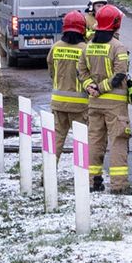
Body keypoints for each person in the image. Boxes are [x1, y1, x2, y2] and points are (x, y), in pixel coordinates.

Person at [77, 4, 132, 195]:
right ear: (116, 24)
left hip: (94, 103)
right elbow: (120, 74)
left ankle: (92, 181)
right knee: (119, 140)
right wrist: (102, 88)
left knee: (95, 140)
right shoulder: (118, 47)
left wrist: (90, 87)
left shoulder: (88, 47)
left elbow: (81, 71)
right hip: (115, 104)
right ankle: (119, 184)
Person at [46, 10, 89, 159]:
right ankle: (82, 177)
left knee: (56, 139)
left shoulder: (56, 47)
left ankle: (48, 174)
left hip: (58, 103)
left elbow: (52, 72)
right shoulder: (85, 49)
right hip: (80, 105)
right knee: (81, 142)